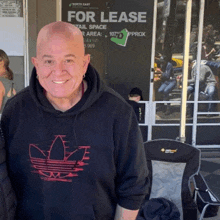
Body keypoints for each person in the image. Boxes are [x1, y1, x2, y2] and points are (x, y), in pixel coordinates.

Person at [0, 21, 148, 220]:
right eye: (49, 61)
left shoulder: (118, 113)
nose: (58, 71)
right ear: (36, 63)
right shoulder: (14, 111)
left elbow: (133, 185)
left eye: (68, 60)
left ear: (85, 63)